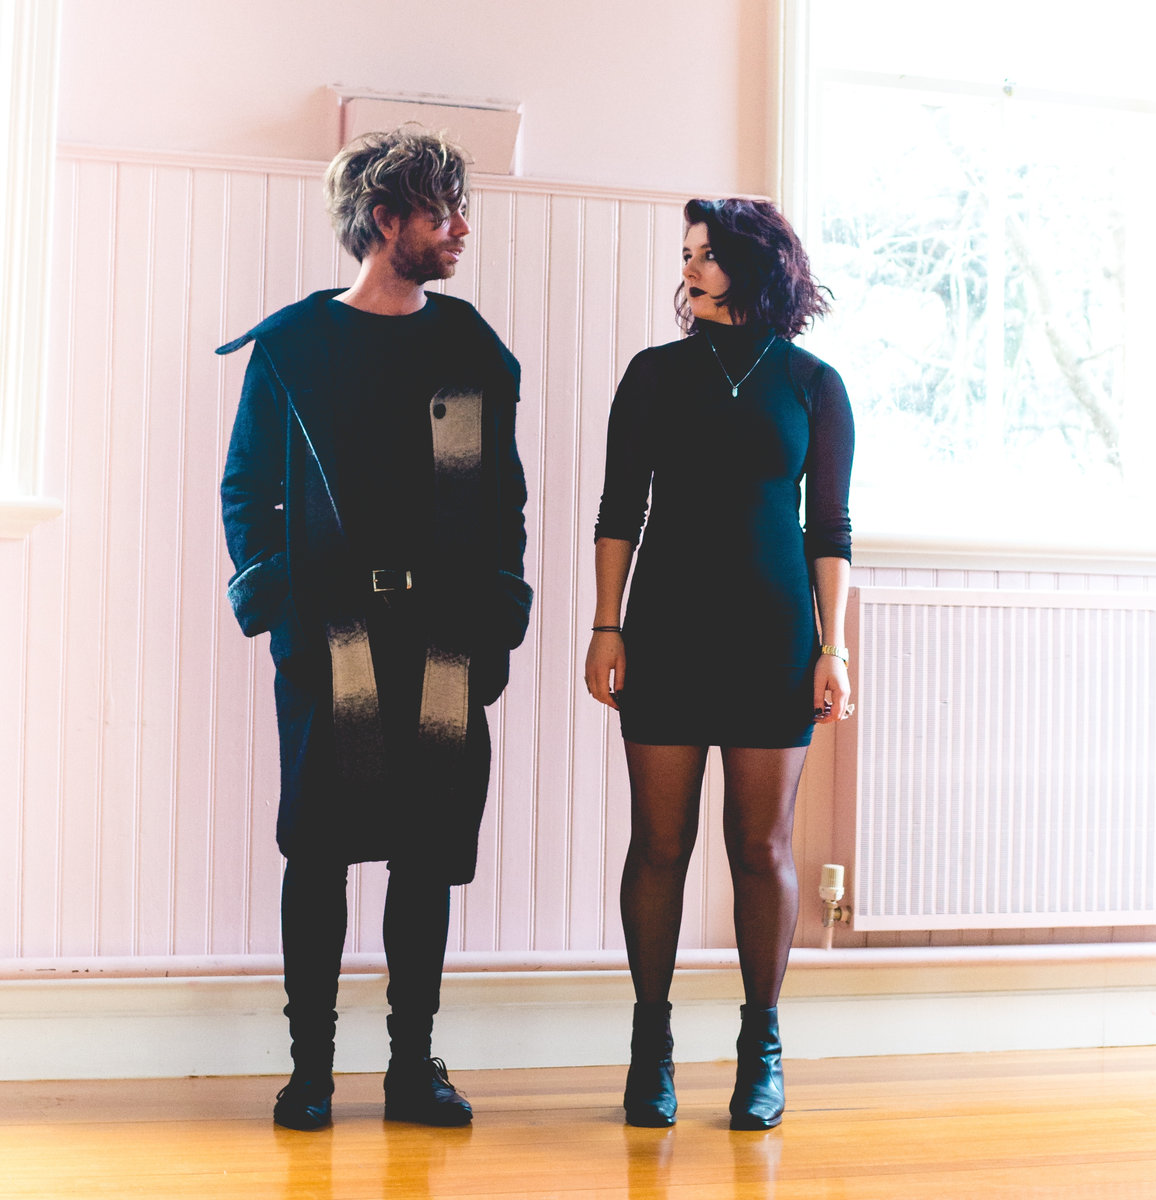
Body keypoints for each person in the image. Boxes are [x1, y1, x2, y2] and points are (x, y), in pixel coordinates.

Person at [218, 128, 532, 1131]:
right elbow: (247, 490)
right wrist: (281, 605)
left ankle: (409, 1070)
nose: (462, 229)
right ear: (386, 220)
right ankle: (310, 1071)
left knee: (426, 849)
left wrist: (498, 616)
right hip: (334, 637)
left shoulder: (469, 346)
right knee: (319, 849)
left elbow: (502, 499)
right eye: (443, 213)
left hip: (444, 640)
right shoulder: (295, 348)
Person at [584, 197, 854, 1131]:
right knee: (659, 844)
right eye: (687, 254)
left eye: (706, 255)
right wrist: (606, 626)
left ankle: (761, 1050)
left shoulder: (814, 384)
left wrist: (832, 647)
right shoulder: (654, 375)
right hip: (664, 632)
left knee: (761, 848)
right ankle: (649, 1046)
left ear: (754, 266)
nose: (689, 269)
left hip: (774, 640)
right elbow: (618, 509)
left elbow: (831, 531)